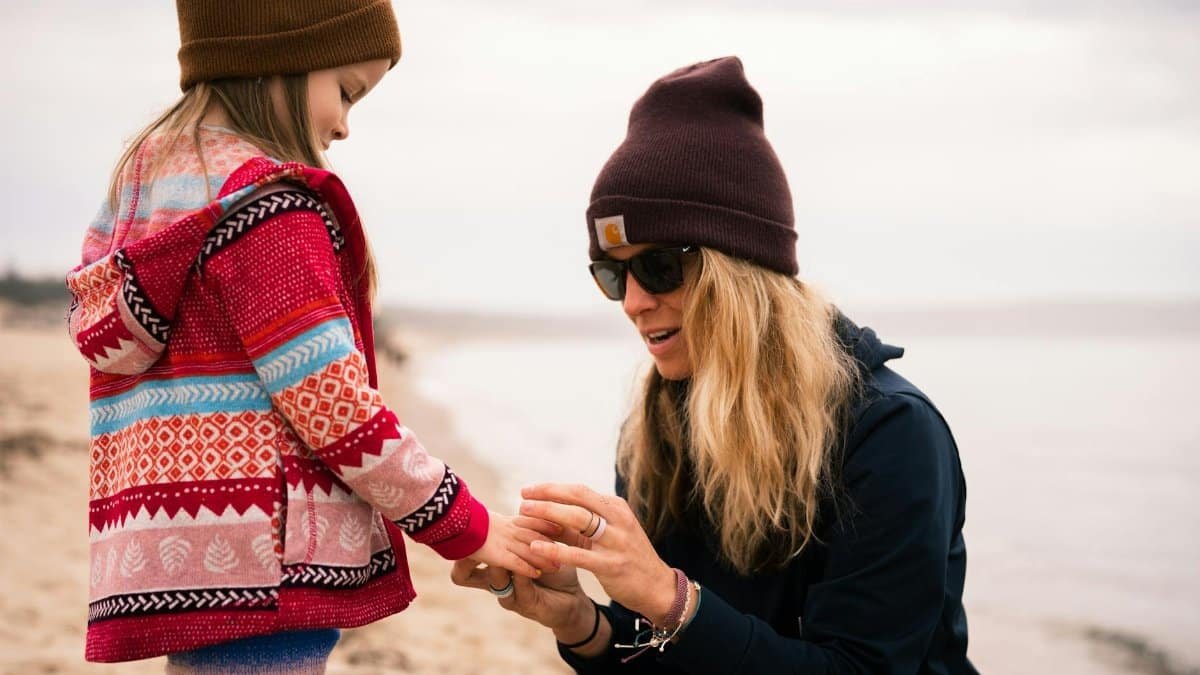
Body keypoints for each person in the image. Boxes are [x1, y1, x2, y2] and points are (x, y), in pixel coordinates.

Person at [452, 56, 977, 674]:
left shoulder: (888, 432)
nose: (633, 301)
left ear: (740, 270)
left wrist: (671, 601)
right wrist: (584, 623)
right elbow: (678, 654)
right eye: (612, 273)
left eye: (658, 267)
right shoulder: (658, 426)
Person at [64, 2, 548, 671]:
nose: (345, 124)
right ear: (277, 52)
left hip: (173, 564)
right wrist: (468, 525)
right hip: (269, 567)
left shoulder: (142, 187)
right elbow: (337, 411)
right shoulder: (270, 212)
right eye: (347, 91)